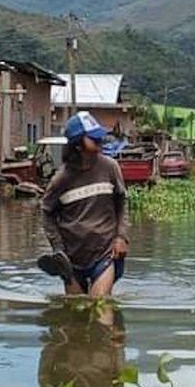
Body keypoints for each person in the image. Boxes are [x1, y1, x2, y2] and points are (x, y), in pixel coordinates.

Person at [38, 111, 129, 296]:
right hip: (71, 260)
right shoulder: (61, 179)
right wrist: (58, 248)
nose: (99, 141)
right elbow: (46, 212)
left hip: (104, 253)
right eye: (93, 138)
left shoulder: (110, 168)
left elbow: (122, 204)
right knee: (74, 315)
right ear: (78, 144)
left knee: (101, 307)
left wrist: (121, 237)